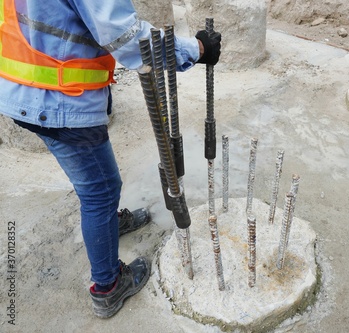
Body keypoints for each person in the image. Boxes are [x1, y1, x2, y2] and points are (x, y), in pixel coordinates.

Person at [0, 0, 221, 318]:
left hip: (22, 89)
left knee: (91, 176)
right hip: (61, 99)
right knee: (100, 190)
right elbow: (132, 40)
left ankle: (107, 223)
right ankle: (107, 287)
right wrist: (198, 48)